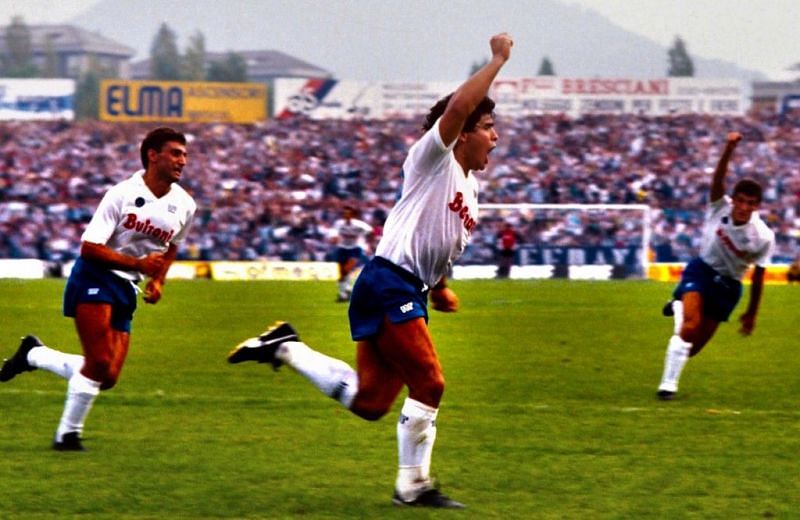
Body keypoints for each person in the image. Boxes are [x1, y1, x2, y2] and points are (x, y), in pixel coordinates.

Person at [228, 33, 513, 508]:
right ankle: (413, 487)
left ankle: (287, 349)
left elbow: (431, 237)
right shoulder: (433, 157)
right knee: (431, 381)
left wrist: (439, 287)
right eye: (488, 126)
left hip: (406, 285)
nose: (495, 136)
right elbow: (459, 107)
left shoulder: (471, 189)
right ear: (462, 132)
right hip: (388, 282)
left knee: (371, 402)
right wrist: (498, 59)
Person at [0, 127, 196, 450]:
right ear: (153, 155)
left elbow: (173, 245)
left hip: (128, 287)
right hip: (96, 275)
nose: (183, 161)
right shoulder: (121, 194)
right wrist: (139, 265)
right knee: (100, 361)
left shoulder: (185, 205)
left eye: (185, 155)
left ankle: (33, 354)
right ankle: (67, 435)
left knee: (107, 376)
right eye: (176, 153)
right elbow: (89, 247)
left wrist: (158, 279)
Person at [657, 132, 775, 400]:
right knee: (689, 327)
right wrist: (729, 148)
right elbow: (718, 179)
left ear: (757, 206)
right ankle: (667, 387)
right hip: (702, 272)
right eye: (741, 201)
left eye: (751, 203)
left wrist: (752, 313)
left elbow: (758, 277)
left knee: (692, 347)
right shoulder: (719, 207)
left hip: (729, 287)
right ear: (733, 199)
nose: (744, 207)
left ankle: (677, 305)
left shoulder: (764, 236)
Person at [330, 205, 374, 302]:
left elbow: (371, 231)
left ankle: (347, 290)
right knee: (342, 272)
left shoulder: (359, 225)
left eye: (348, 213)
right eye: (344, 213)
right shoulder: (339, 224)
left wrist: (368, 243)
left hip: (355, 248)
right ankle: (344, 294)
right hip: (342, 248)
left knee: (346, 270)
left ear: (353, 215)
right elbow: (333, 234)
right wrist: (333, 239)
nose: (346, 215)